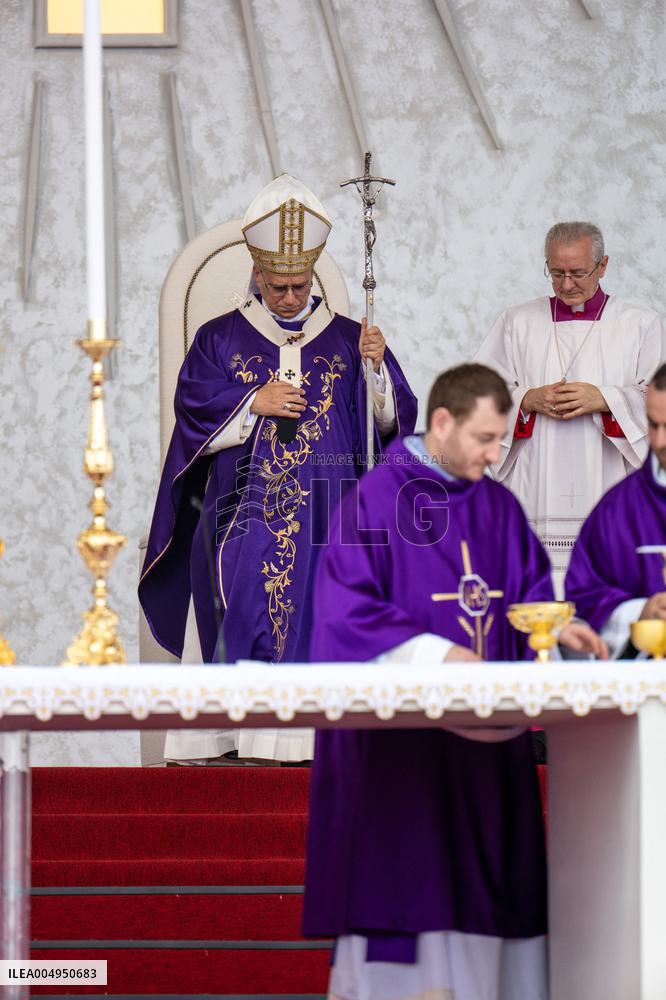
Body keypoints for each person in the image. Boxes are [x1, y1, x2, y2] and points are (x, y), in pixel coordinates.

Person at [302, 364, 606, 1000]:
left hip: (486, 753)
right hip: (400, 758)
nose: (498, 454)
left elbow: (523, 600)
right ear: (442, 423)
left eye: (501, 440)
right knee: (409, 871)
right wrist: (441, 658)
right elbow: (344, 613)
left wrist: (558, 630)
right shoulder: (375, 500)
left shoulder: (496, 503)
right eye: (486, 439)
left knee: (490, 884)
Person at [139, 174, 417, 762]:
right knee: (242, 609)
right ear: (257, 276)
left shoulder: (349, 338)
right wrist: (251, 402)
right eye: (278, 286)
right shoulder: (218, 338)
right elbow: (189, 407)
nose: (289, 296)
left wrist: (376, 372)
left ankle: (315, 736)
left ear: (311, 276)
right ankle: (239, 735)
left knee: (324, 612)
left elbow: (390, 425)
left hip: (330, 514)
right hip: (243, 513)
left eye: (298, 285)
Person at [475, 221, 664, 580]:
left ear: (602, 265)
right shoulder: (517, 322)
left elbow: (659, 403)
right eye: (556, 272)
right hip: (536, 480)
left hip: (609, 475)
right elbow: (477, 395)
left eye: (578, 273)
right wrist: (527, 400)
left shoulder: (640, 324)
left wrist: (606, 399)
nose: (566, 284)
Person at [566, 364, 666, 658]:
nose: (659, 442)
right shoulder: (617, 510)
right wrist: (641, 612)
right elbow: (583, 597)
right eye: (653, 425)